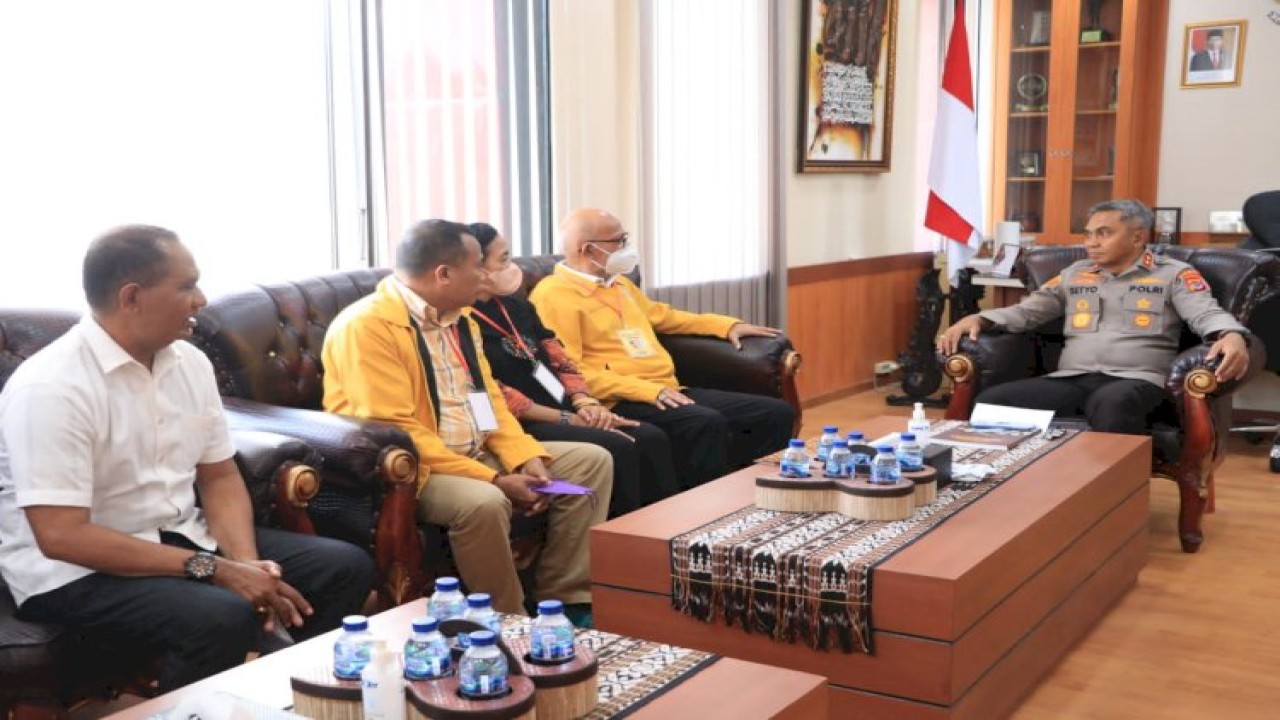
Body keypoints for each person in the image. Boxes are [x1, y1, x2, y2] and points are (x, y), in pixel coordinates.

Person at [0, 225, 374, 692]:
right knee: (220, 616)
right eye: (186, 286)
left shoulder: (189, 363)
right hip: (73, 571)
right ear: (132, 297)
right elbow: (61, 536)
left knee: (343, 566)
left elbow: (218, 476)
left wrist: (247, 563)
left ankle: (286, 695)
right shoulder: (52, 387)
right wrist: (217, 570)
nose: (201, 300)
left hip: (176, 536)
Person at [322, 219, 612, 623]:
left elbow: (490, 399)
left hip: (474, 452)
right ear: (444, 274)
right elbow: (395, 430)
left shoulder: (462, 320)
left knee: (591, 461)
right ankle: (509, 622)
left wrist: (524, 457)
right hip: (417, 471)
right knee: (485, 503)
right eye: (479, 266)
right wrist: (493, 479)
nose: (487, 276)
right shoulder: (367, 327)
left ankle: (565, 599)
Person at [529, 208, 796, 489]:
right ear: (587, 249)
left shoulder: (618, 284)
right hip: (620, 398)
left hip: (666, 389)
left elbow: (664, 316)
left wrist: (726, 326)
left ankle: (752, 493)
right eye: (618, 241)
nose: (626, 247)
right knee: (704, 421)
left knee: (774, 412)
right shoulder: (553, 296)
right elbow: (569, 369)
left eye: (625, 238)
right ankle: (706, 510)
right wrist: (646, 391)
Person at [937, 199, 1251, 435]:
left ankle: (1114, 504)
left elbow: (1205, 313)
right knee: (995, 402)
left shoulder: (1173, 274)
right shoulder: (1075, 273)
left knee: (1113, 403)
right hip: (1072, 379)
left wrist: (1231, 335)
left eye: (1103, 233)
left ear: (1138, 237)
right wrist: (979, 319)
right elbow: (1029, 311)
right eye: (1088, 234)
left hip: (1138, 382)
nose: (1091, 242)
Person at [468, 222, 680, 516]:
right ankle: (620, 540)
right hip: (528, 421)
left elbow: (559, 358)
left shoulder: (515, 307)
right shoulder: (463, 321)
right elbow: (495, 394)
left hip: (567, 407)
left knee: (649, 436)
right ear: (476, 267)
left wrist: (585, 402)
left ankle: (663, 530)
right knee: (620, 446)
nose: (512, 266)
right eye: (503, 259)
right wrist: (568, 418)